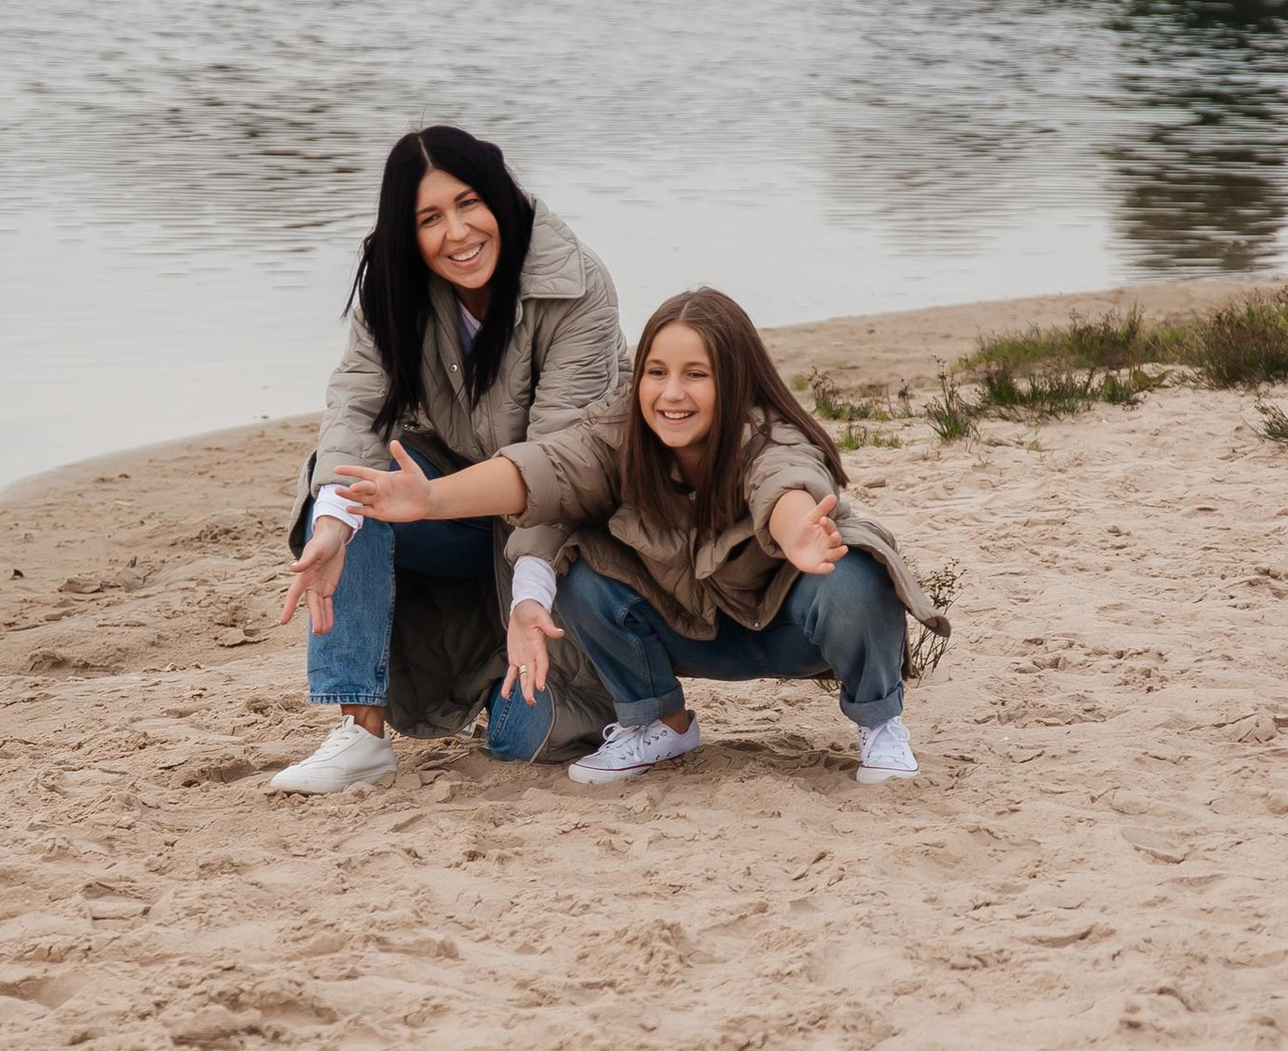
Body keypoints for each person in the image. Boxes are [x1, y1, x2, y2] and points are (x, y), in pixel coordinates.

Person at [329, 285, 947, 788]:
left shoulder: (769, 433)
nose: (671, 393)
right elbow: (544, 470)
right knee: (582, 571)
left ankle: (880, 723)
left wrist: (796, 536)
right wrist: (434, 498)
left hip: (792, 629)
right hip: (688, 634)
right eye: (656, 372)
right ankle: (662, 725)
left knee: (855, 577)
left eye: (695, 374)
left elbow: (784, 485)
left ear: (732, 379)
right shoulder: (620, 435)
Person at [271, 125, 623, 795]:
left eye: (469, 204)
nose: (457, 233)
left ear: (499, 195)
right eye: (430, 218)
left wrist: (526, 603)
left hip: (565, 527)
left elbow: (562, 468)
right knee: (351, 485)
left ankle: (494, 668)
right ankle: (361, 734)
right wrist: (330, 526)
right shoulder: (394, 284)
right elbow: (356, 406)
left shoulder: (577, 287)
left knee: (530, 743)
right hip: (457, 509)